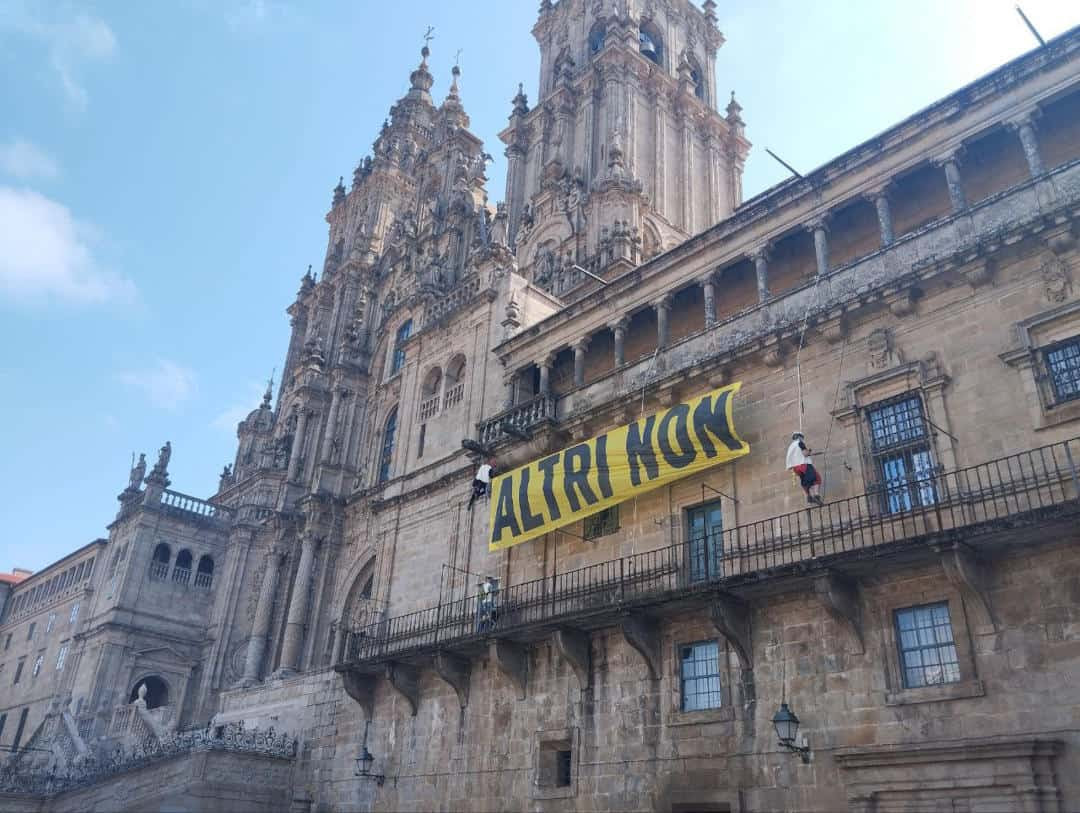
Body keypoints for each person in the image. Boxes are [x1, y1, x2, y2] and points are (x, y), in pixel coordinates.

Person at [787, 431, 823, 506]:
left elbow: (795, 456)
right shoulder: (800, 443)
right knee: (816, 478)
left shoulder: (791, 446)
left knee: (805, 480)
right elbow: (805, 454)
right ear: (800, 437)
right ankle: (816, 495)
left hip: (796, 468)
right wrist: (810, 451)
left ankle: (809, 496)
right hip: (803, 464)